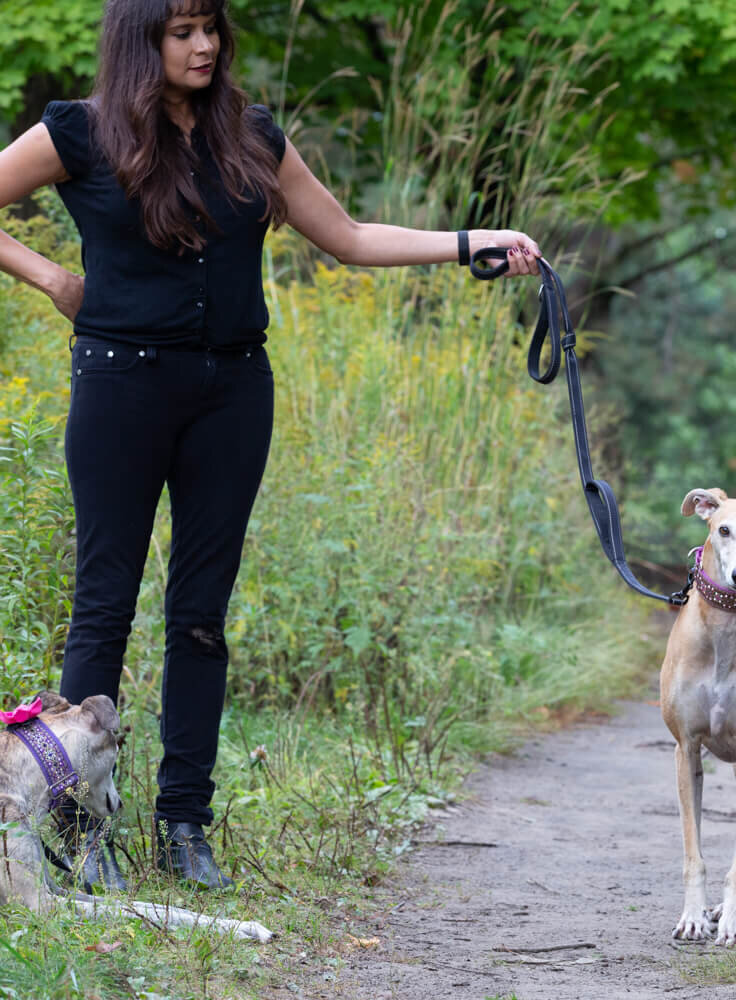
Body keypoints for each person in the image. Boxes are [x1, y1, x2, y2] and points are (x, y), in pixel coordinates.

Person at [0, 0, 540, 892]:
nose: (204, 44)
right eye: (182, 32)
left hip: (232, 393)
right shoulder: (81, 131)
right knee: (104, 605)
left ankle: (184, 826)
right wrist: (53, 276)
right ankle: (81, 829)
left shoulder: (250, 135)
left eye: (211, 27)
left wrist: (470, 242)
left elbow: (351, 237)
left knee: (201, 617)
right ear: (143, 41)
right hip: (121, 385)